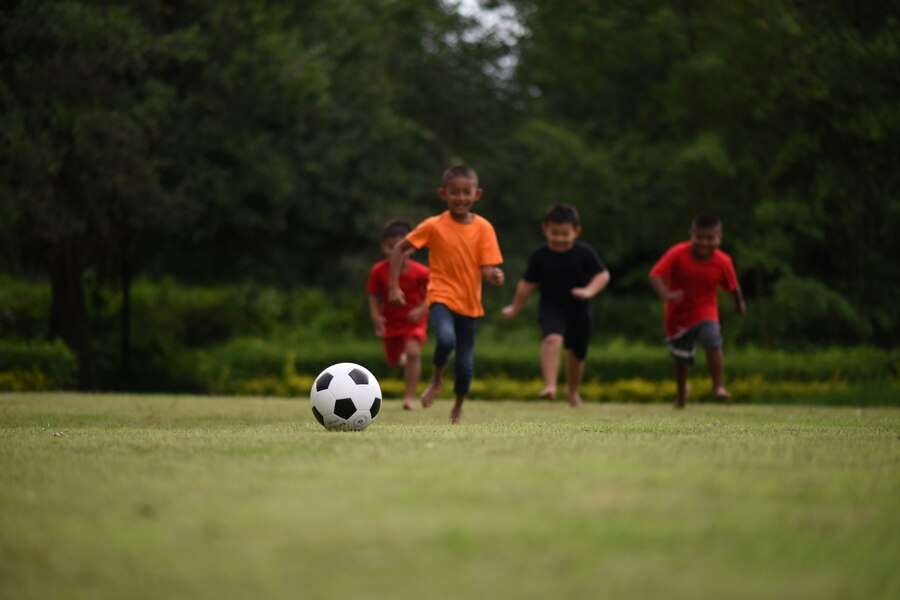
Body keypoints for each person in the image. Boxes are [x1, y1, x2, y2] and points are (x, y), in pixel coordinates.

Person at [388, 165, 504, 423]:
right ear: (443, 193)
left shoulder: (484, 228)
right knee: (444, 339)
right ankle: (437, 378)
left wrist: (494, 275)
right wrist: (393, 286)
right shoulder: (434, 226)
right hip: (440, 296)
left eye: (466, 192)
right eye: (455, 192)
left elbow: (487, 269)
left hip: (470, 305)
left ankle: (458, 406)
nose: (461, 198)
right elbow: (399, 249)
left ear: (477, 194)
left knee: (465, 366)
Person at [501, 204, 610, 407]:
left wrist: (588, 291)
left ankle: (572, 391)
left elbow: (603, 275)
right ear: (545, 229)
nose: (559, 238)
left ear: (576, 231)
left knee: (576, 353)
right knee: (552, 339)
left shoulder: (584, 252)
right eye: (554, 233)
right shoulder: (540, 256)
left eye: (565, 234)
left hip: (579, 307)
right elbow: (526, 285)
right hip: (551, 306)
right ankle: (550, 386)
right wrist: (515, 307)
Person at [649, 214, 747, 408]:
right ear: (691, 235)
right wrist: (666, 294)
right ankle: (681, 395)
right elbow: (655, 275)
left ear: (719, 237)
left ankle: (718, 386)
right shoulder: (677, 253)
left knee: (713, 339)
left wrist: (739, 304)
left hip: (706, 310)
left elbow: (733, 286)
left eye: (710, 238)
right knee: (681, 357)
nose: (704, 242)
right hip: (677, 314)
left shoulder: (723, 261)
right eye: (699, 237)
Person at [366, 220, 429, 410]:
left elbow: (434, 293)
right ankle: (402, 358)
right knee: (393, 361)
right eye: (391, 246)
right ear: (384, 247)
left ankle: (409, 397)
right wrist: (376, 318)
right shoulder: (378, 271)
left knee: (413, 352)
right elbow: (373, 296)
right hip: (391, 321)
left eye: (401, 246)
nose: (397, 250)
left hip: (413, 320)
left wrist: (422, 309)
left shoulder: (422, 272)